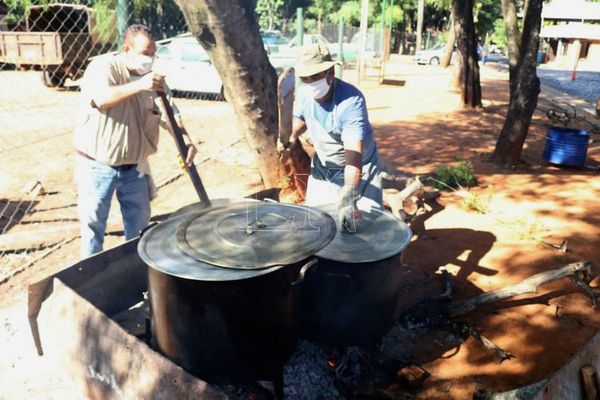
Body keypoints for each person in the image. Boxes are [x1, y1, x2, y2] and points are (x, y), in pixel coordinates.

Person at [73, 24, 197, 257]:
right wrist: (140, 85)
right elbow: (101, 98)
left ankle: (136, 277)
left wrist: (186, 141)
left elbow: (170, 114)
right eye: (144, 53)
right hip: (97, 166)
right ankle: (89, 282)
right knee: (93, 229)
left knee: (140, 230)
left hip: (135, 169)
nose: (150, 59)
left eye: (153, 53)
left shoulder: (155, 82)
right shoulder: (103, 67)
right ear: (126, 49)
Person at [279, 43, 384, 232]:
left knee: (361, 228)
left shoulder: (351, 101)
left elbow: (353, 157)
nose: (310, 82)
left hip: (358, 170)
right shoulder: (304, 93)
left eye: (316, 76)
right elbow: (301, 118)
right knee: (318, 224)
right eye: (305, 78)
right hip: (324, 169)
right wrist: (292, 136)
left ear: (330, 72)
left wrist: (349, 194)